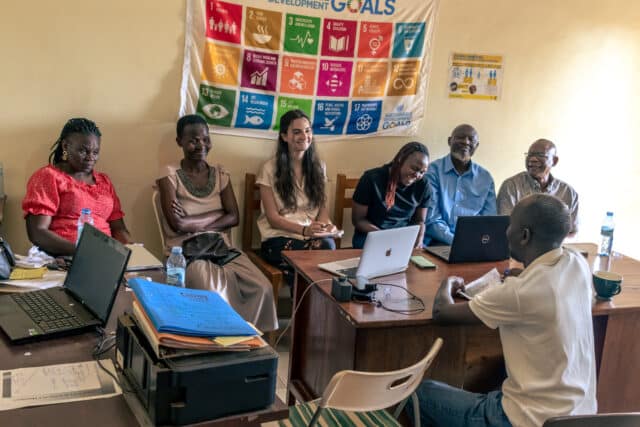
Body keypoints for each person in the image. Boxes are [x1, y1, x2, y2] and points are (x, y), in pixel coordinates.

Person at [411, 194, 596, 427]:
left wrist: (448, 282)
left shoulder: (519, 293)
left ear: (524, 236)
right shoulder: (577, 262)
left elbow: (442, 313)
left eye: (510, 225)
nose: (506, 232)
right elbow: (547, 288)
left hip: (526, 420)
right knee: (496, 377)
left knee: (418, 393)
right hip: (580, 417)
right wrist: (524, 275)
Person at [156, 114, 277, 332]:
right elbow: (178, 225)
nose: (201, 145)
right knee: (213, 295)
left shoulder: (220, 174)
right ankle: (220, 342)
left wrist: (194, 221)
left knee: (262, 287)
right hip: (186, 252)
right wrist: (219, 214)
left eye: (205, 139)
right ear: (179, 142)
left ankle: (250, 339)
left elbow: (234, 217)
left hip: (222, 247)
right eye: (193, 140)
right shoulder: (169, 175)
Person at [22, 118, 131, 256]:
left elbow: (119, 229)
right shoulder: (49, 177)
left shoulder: (104, 182)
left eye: (95, 152)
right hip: (64, 258)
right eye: (83, 151)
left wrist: (130, 251)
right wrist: (84, 252)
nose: (90, 157)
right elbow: (38, 232)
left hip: (104, 258)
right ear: (65, 146)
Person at [257, 109, 337, 283]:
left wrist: (326, 227)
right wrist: (304, 230)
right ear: (284, 136)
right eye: (297, 132)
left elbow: (322, 210)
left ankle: (309, 299)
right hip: (279, 237)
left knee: (328, 245)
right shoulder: (269, 169)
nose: (304, 136)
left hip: (311, 237)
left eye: (307, 131)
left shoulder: (319, 167)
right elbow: (273, 219)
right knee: (307, 259)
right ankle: (308, 300)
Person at [424, 124, 496, 246]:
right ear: (449, 141)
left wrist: (476, 243)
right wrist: (459, 243)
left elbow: (489, 220)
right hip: (436, 242)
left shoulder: (485, 178)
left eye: (471, 139)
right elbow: (431, 219)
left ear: (476, 146)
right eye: (460, 137)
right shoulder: (433, 171)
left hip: (474, 243)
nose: (466, 142)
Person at [351, 141, 430, 249]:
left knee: (425, 258)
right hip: (371, 235)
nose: (417, 175)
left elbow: (420, 220)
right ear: (400, 159)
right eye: (414, 168)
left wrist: (419, 239)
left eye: (422, 172)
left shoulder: (423, 185)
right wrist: (386, 237)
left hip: (402, 237)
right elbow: (358, 220)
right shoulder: (371, 179)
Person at [497, 138, 579, 236]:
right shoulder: (511, 186)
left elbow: (572, 232)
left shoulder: (568, 192)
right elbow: (506, 227)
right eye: (529, 155)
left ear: (554, 161)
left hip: (558, 245)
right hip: (520, 244)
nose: (532, 159)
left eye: (540, 155)